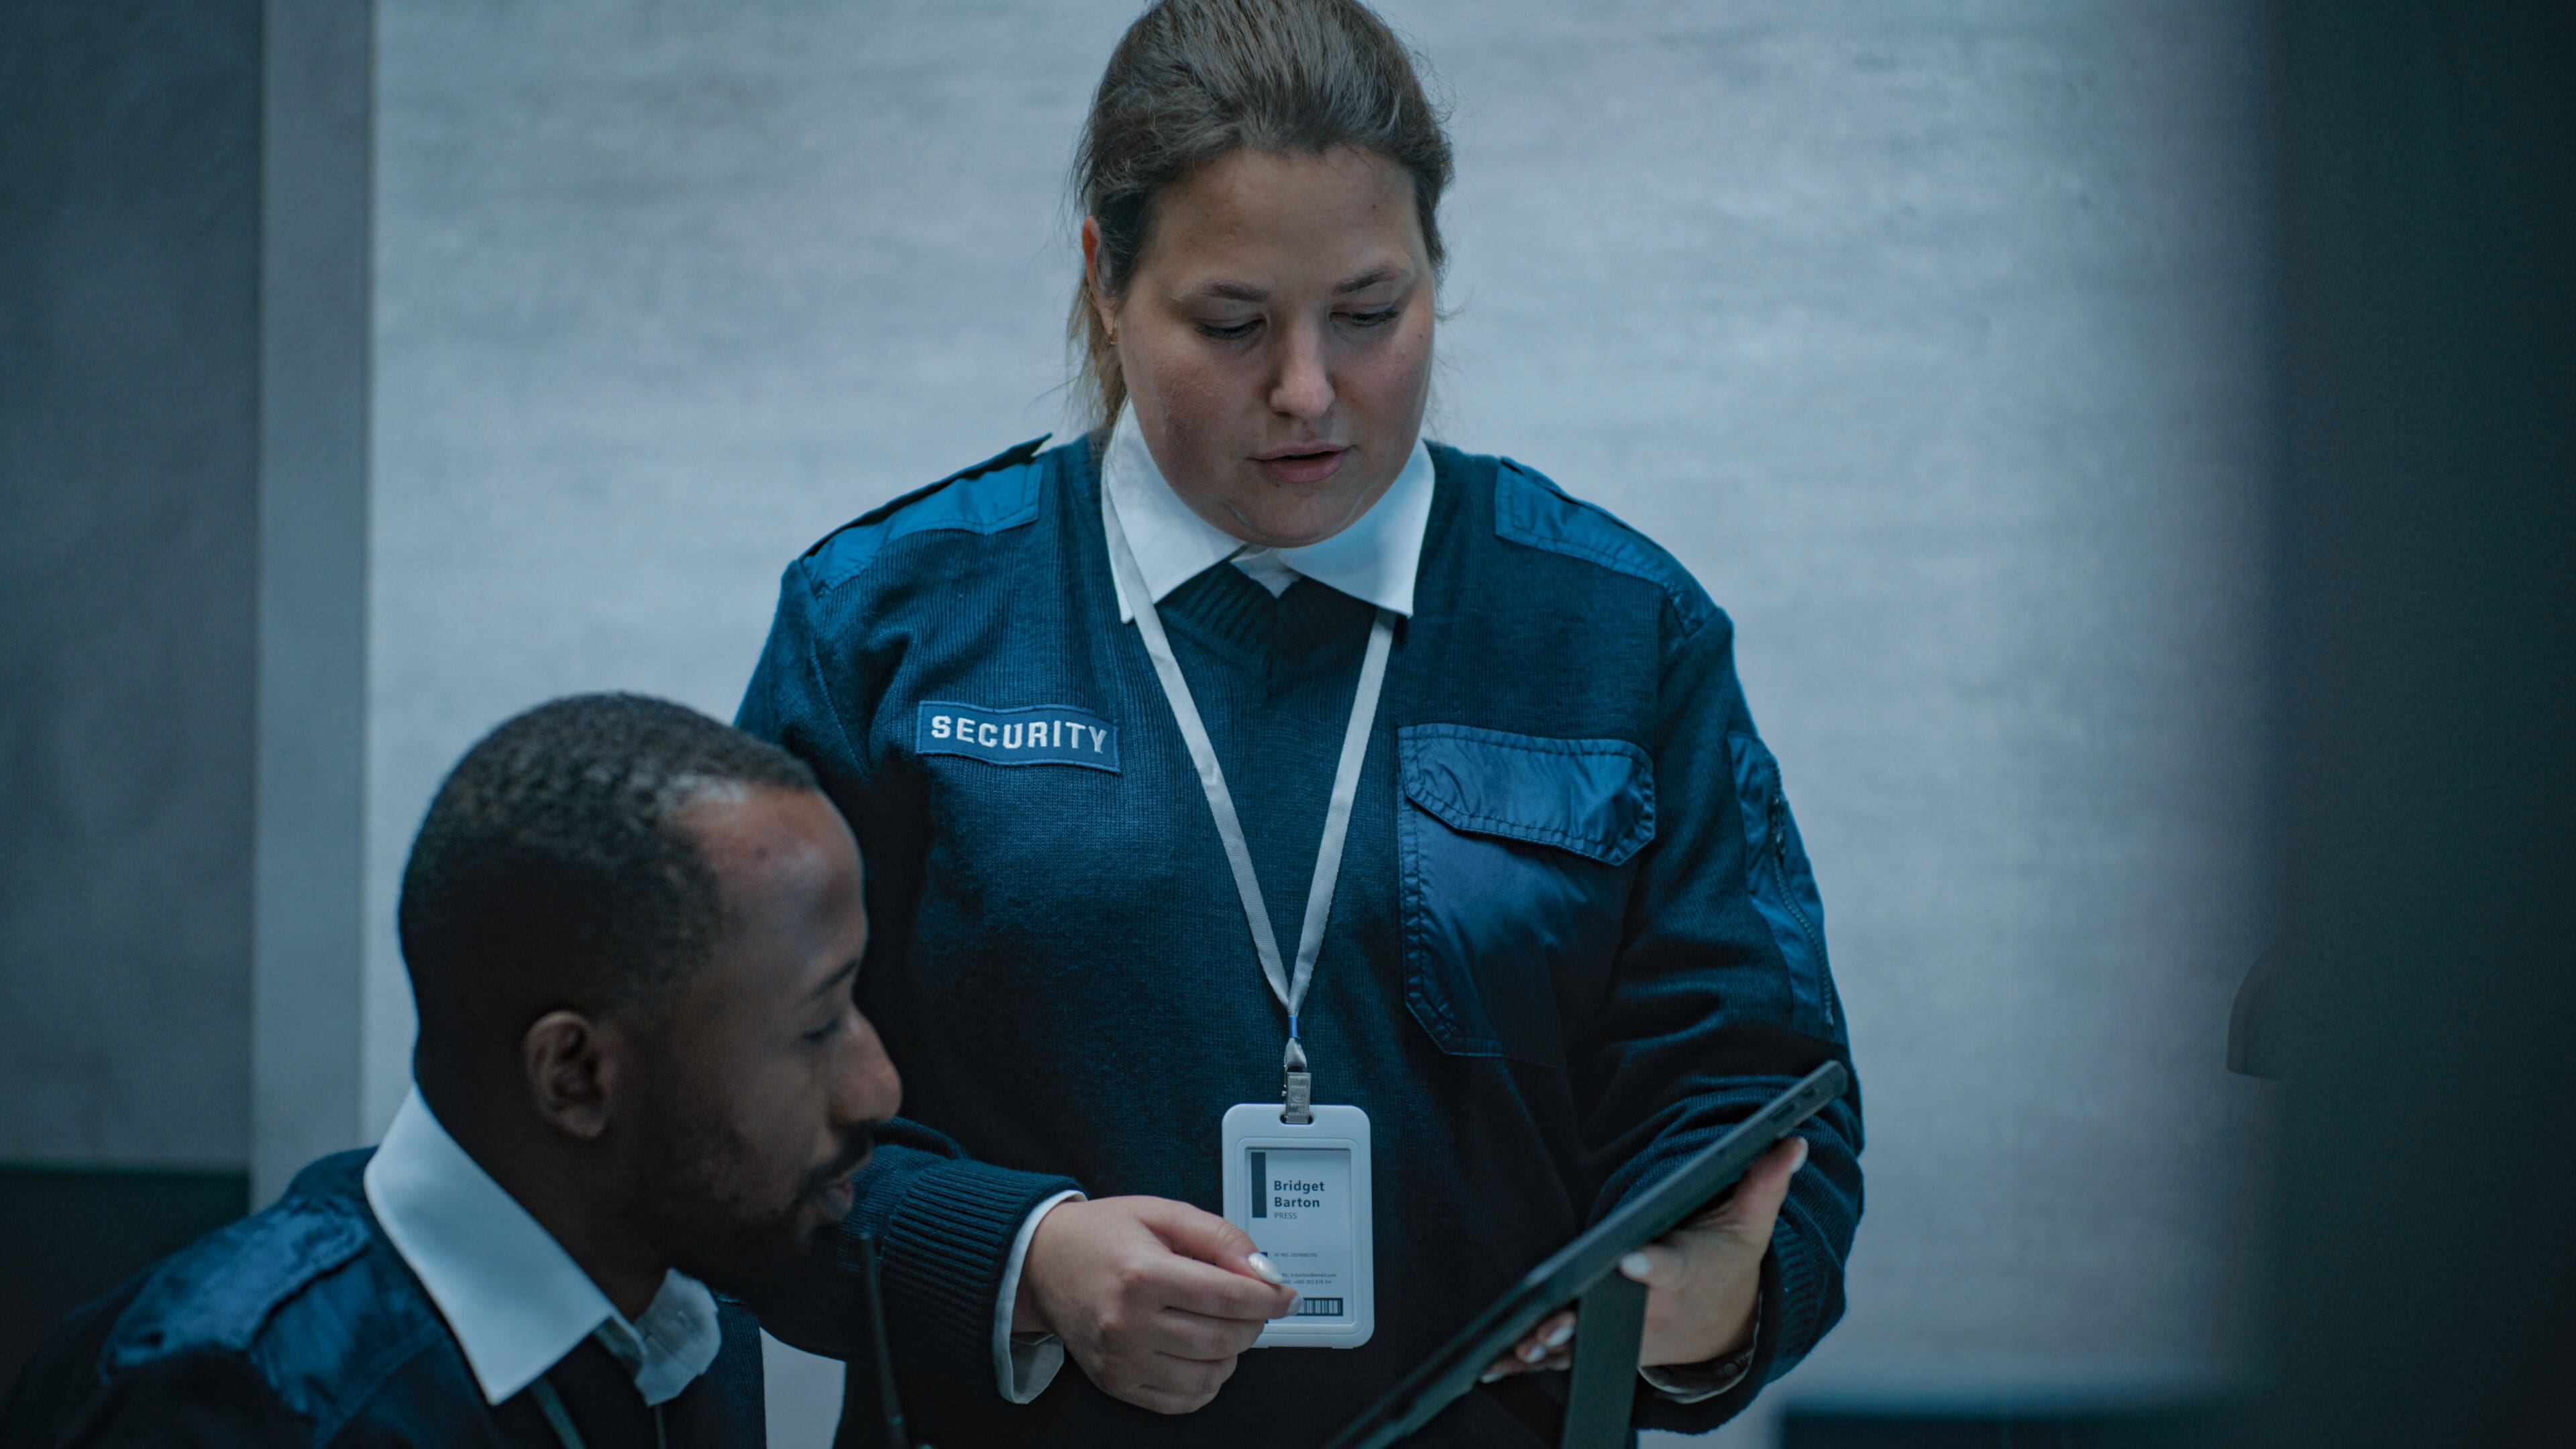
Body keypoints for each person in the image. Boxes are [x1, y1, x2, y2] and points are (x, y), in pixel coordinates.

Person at [737, 1, 1864, 1442]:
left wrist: (1713, 1295)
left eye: (1371, 313)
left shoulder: (1616, 633)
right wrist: (1020, 1261)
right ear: (1104, 281)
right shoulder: (886, 622)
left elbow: (1767, 1105)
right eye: (1232, 323)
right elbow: (737, 1126)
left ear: (1436, 277)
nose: (1309, 390)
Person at [0, 694, 904, 1448]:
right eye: (818, 1027)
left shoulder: (684, 1314)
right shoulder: (236, 1404)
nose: (879, 1087)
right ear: (577, 1077)